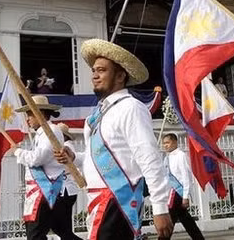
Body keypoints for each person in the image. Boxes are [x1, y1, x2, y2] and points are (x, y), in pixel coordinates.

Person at [54, 39, 173, 240]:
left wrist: (160, 206)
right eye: (94, 70)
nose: (95, 75)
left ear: (120, 76)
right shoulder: (96, 115)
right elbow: (97, 157)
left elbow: (149, 157)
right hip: (99, 199)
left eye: (101, 70)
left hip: (119, 199)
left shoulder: (131, 108)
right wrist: (75, 157)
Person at [12, 96, 80, 240]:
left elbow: (38, 158)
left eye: (30, 114)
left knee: (35, 234)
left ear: (40, 113)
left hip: (47, 190)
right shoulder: (41, 134)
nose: (27, 118)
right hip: (44, 190)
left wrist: (18, 151)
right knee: (58, 231)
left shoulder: (51, 131)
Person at [161, 133, 205, 240]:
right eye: (164, 143)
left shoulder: (181, 155)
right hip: (171, 191)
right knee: (186, 219)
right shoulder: (166, 158)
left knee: (170, 217)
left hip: (178, 192)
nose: (165, 145)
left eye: (167, 142)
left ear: (175, 142)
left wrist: (185, 196)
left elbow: (186, 176)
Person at [56, 122, 82, 228]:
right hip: (67, 189)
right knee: (64, 224)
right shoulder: (66, 147)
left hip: (66, 189)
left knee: (60, 225)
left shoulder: (66, 147)